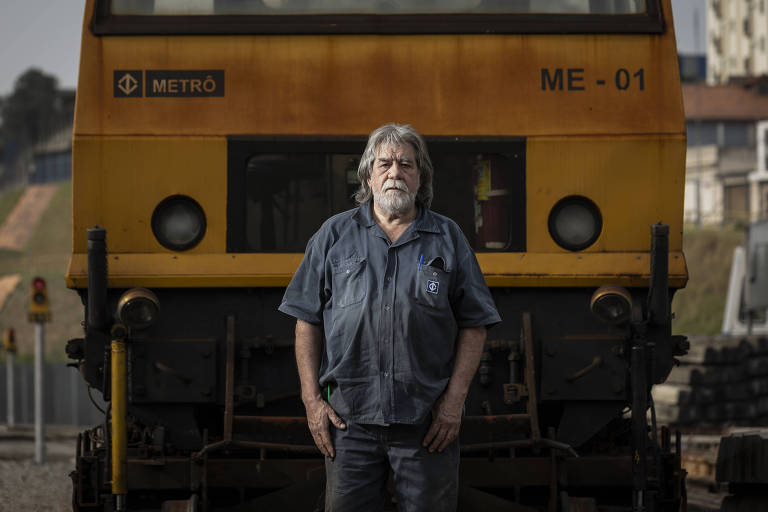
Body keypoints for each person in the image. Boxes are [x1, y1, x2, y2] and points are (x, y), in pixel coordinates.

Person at [278, 123, 501, 512]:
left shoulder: (447, 238)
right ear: (368, 174)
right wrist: (312, 401)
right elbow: (306, 320)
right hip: (349, 425)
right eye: (384, 164)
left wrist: (452, 405)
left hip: (426, 424)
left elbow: (475, 324)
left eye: (406, 165)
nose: (395, 173)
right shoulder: (334, 236)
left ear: (421, 177)